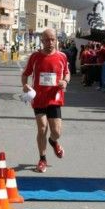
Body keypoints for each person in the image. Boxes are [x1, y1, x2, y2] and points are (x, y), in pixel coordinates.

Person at [21, 28, 70, 173]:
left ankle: (53, 141)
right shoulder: (35, 57)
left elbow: (67, 73)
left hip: (54, 99)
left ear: (56, 40)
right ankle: (42, 159)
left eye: (53, 39)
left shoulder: (62, 56)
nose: (50, 42)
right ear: (42, 41)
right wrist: (25, 85)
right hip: (39, 99)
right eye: (47, 39)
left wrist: (65, 82)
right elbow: (25, 74)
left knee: (56, 132)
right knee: (42, 128)